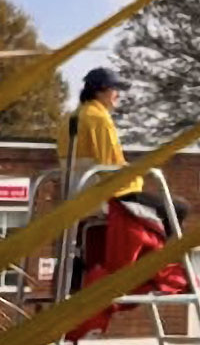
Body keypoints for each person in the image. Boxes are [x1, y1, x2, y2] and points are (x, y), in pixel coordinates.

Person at [58, 66, 186, 234]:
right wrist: (138, 177)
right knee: (178, 208)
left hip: (76, 196)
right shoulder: (99, 118)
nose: (118, 94)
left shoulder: (71, 117)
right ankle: (163, 258)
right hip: (104, 196)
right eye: (115, 89)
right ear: (101, 90)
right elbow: (110, 167)